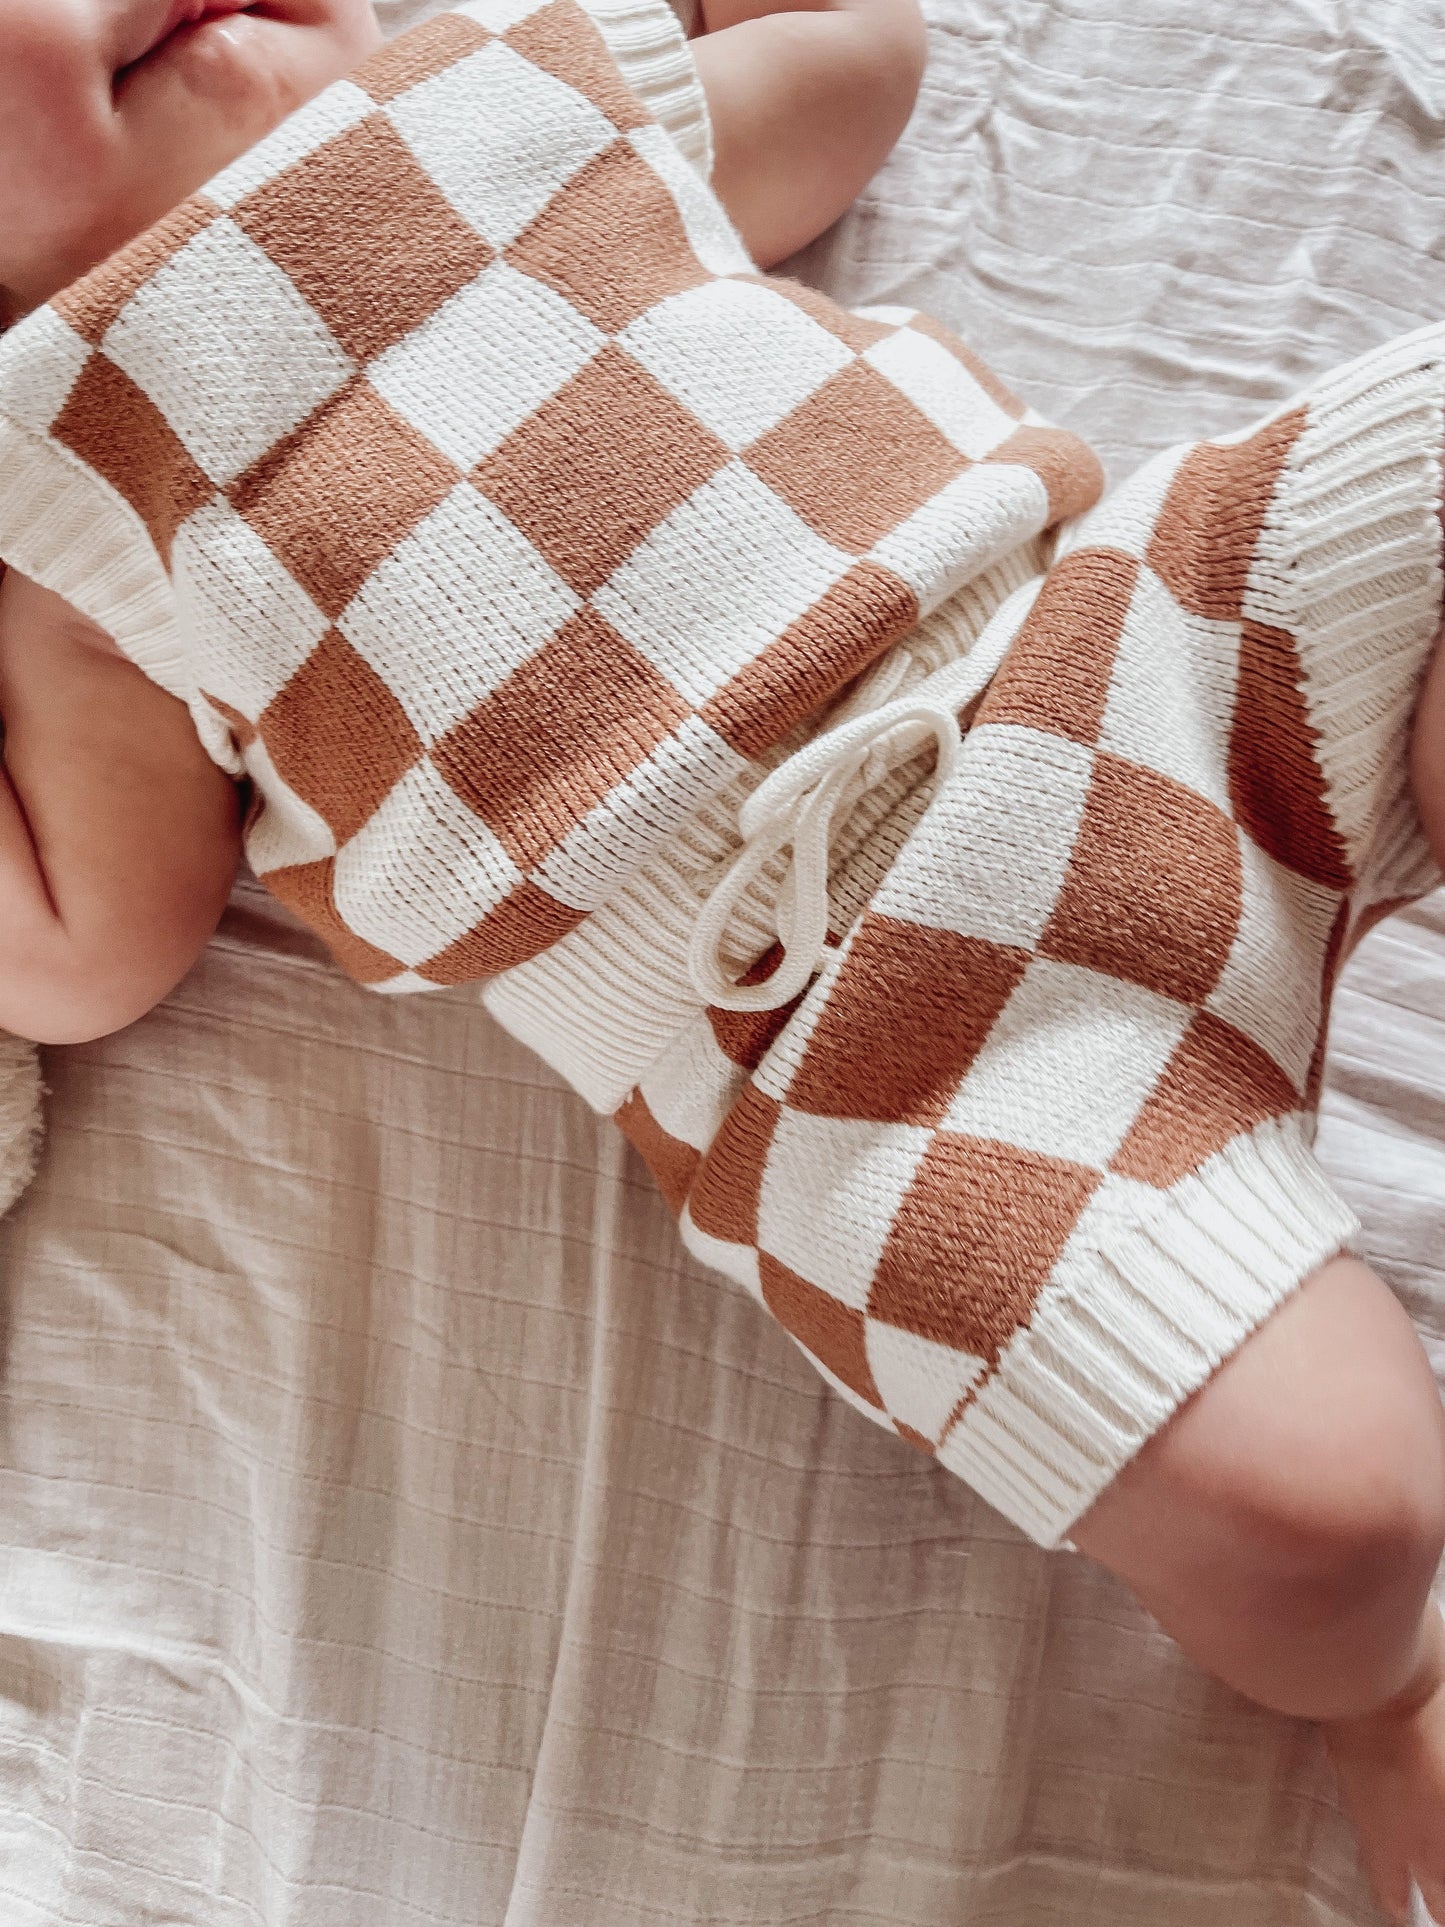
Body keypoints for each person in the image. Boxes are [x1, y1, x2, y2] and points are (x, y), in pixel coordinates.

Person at [0, 0, 1443, 1916]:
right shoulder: (56, 485)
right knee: (1320, 1519)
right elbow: (93, 942)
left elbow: (851, 74)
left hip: (1144, 630)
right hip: (859, 1028)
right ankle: (1389, 1679)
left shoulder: (507, 75)